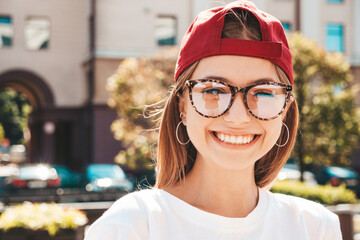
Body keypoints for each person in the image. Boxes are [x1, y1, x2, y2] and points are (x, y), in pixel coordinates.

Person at [84, 1, 342, 239]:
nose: (238, 117)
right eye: (213, 90)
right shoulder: (131, 226)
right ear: (182, 106)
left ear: (285, 109)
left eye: (263, 92)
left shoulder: (315, 228)